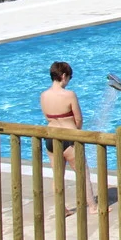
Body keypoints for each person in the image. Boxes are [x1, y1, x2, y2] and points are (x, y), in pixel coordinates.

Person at [39, 62, 98, 217]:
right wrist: (76, 131)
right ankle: (92, 206)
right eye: (69, 78)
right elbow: (78, 118)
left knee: (57, 175)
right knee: (82, 172)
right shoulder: (69, 95)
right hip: (69, 136)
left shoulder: (43, 95)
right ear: (64, 76)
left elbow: (47, 117)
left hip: (51, 138)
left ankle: (62, 208)